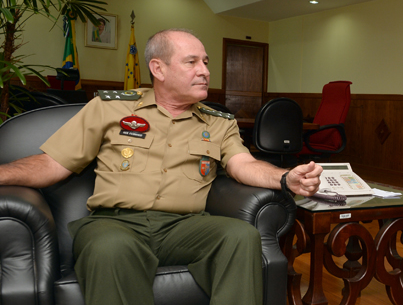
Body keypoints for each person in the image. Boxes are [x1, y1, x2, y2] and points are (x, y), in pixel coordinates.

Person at [0, 28, 323, 305]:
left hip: (185, 227)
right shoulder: (110, 108)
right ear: (159, 68)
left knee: (240, 235)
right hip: (114, 223)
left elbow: (244, 165)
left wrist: (286, 178)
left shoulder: (219, 122)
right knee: (111, 248)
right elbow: (53, 164)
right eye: (192, 62)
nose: (205, 71)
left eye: (206, 62)